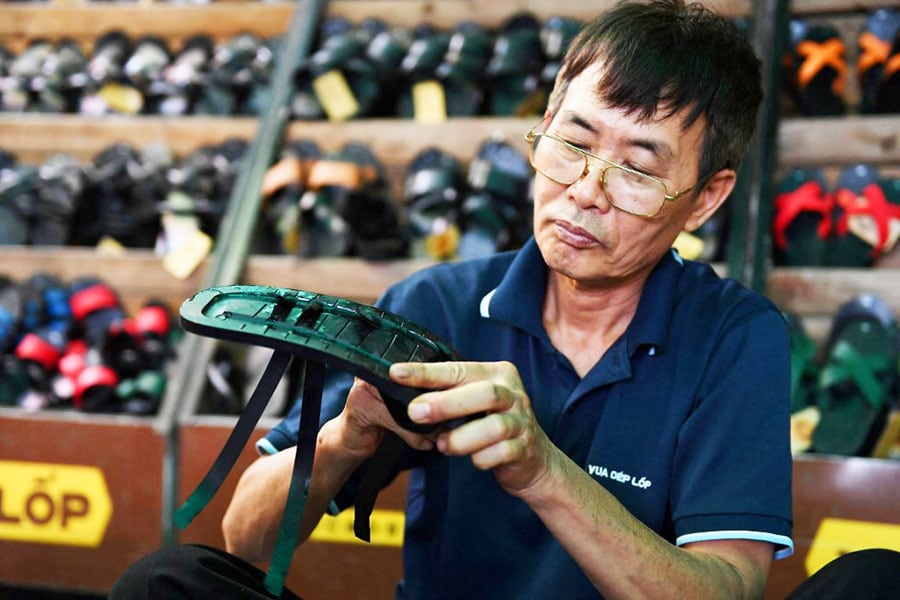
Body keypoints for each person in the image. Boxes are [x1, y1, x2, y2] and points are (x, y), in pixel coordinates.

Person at [113, 1, 795, 598]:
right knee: (167, 583)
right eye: (572, 143)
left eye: (637, 171)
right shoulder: (440, 301)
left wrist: (542, 472)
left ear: (707, 198)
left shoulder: (735, 338)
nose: (586, 190)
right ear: (545, 123)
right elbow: (246, 538)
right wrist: (347, 438)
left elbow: (725, 590)